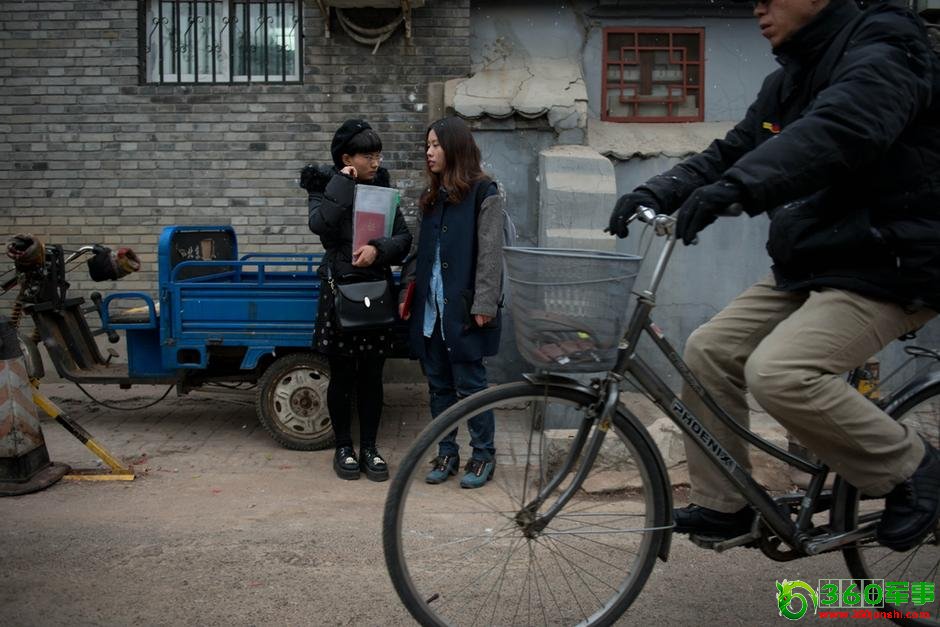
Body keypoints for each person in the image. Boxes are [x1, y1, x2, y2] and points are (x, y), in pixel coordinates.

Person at [608, 0, 940, 551]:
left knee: (781, 373)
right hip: (818, 260)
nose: (757, 8)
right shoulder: (792, 78)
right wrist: (663, 188)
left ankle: (916, 468)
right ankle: (725, 504)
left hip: (894, 262)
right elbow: (735, 149)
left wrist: (739, 188)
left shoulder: (887, 51)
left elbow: (838, 131)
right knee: (709, 350)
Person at [399, 116, 505, 489]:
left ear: (455, 148)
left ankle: (483, 455)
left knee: (472, 386)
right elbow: (417, 253)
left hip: (463, 309)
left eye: (435, 145)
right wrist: (406, 292)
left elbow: (491, 255)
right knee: (439, 386)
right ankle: (446, 452)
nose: (428, 152)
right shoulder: (430, 198)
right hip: (430, 311)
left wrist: (484, 304)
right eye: (427, 145)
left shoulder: (484, 192)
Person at [307, 119, 412, 482]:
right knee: (341, 375)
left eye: (378, 155)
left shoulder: (382, 190)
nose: (376, 162)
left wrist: (377, 250)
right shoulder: (323, 186)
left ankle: (369, 447)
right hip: (340, 291)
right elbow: (320, 225)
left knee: (371, 376)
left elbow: (403, 238)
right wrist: (343, 183)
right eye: (368, 156)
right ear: (347, 158)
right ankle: (343, 447)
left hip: (375, 291)